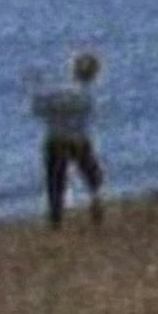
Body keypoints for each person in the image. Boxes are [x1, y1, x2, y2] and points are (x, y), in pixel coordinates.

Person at [34, 50, 105, 226]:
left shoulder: (56, 92)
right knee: (92, 174)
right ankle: (96, 200)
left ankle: (55, 216)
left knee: (56, 178)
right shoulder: (87, 96)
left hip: (55, 138)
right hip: (77, 139)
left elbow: (39, 109)